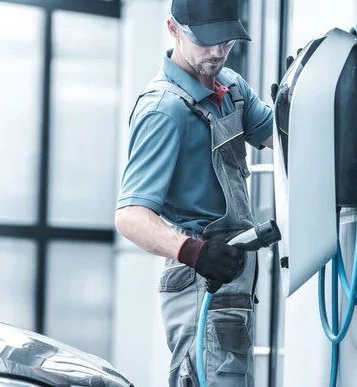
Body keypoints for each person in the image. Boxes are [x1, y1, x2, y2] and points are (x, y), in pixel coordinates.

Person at [114, 0, 274, 386]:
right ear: (173, 28)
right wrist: (195, 253)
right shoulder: (163, 110)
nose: (218, 52)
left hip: (233, 276)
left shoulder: (231, 89)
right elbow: (130, 216)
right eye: (206, 41)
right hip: (200, 277)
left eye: (227, 40)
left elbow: (283, 138)